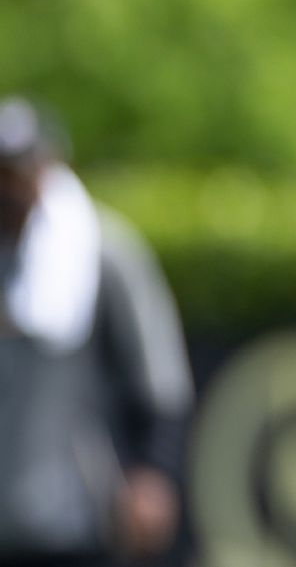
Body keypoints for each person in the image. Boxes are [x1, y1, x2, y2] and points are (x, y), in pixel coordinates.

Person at [0, 98, 194, 567]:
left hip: (80, 512)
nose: (10, 187)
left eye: (18, 172)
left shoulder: (101, 252)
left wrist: (152, 474)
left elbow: (159, 377)